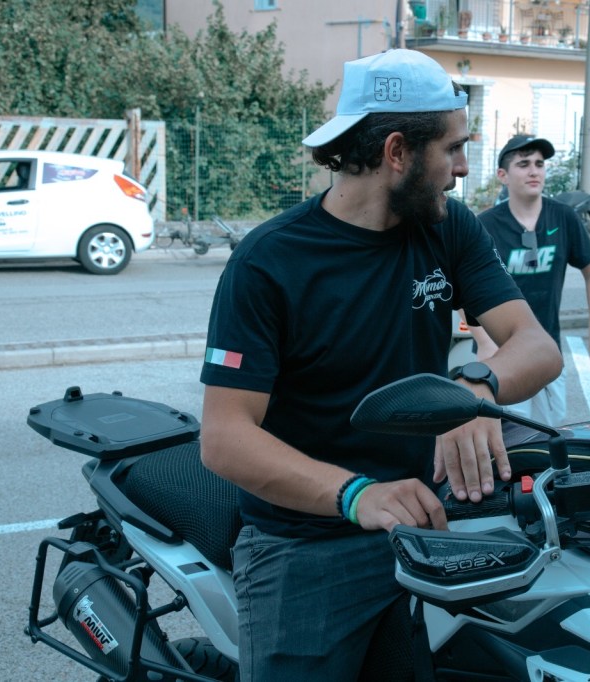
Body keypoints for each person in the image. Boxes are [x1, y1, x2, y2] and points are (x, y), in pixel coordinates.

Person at [198, 49, 561, 680]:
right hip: (304, 547)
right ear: (397, 151)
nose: (463, 168)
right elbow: (224, 437)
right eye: (452, 149)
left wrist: (472, 390)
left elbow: (537, 346)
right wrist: (357, 495)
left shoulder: (447, 229)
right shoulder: (269, 262)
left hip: (421, 526)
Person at [470, 134, 590, 425]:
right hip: (502, 355)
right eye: (523, 164)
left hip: (546, 351)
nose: (534, 171)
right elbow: (466, 288)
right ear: (503, 175)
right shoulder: (484, 225)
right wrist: (484, 341)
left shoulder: (563, 217)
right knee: (510, 440)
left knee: (548, 435)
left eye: (539, 164)